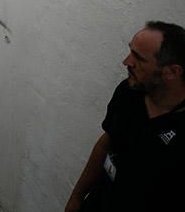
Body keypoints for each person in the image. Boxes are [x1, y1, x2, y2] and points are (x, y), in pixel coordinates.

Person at [65, 22, 184, 212]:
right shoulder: (129, 91)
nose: (126, 61)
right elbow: (107, 141)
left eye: (138, 58)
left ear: (172, 72)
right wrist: (76, 198)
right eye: (131, 51)